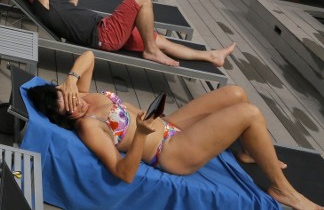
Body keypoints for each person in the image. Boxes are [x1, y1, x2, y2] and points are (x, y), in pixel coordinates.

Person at [26, 50, 322, 209]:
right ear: (66, 119)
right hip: (170, 152)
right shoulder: (88, 126)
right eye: (69, 111)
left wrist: (71, 78)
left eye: (71, 98)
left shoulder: (82, 96)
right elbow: (123, 173)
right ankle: (283, 190)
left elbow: (89, 56)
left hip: (168, 125)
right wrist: (140, 135)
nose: (76, 106)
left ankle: (248, 152)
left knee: (235, 94)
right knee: (250, 113)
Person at [14, 0, 235, 67]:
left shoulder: (49, 6)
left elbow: (69, 10)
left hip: (104, 28)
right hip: (104, 34)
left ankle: (211, 56)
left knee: (157, 39)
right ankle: (150, 51)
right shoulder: (41, 9)